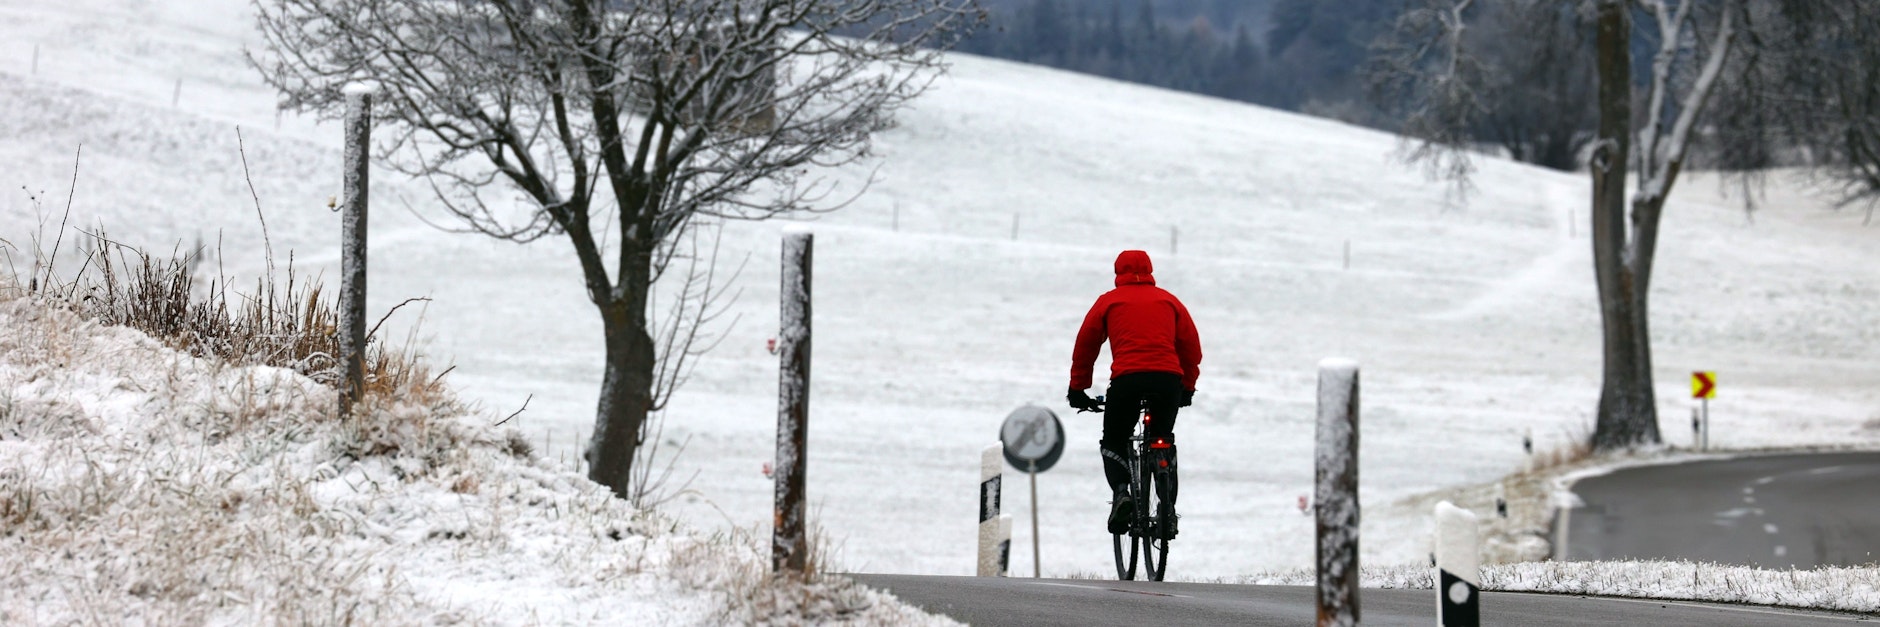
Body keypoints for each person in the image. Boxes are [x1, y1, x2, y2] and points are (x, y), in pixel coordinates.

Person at [1066, 249, 1202, 536]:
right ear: (1151, 270)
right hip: (1168, 381)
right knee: (1162, 440)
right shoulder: (1169, 301)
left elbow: (1086, 346)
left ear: (1118, 272)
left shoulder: (1109, 302)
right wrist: (1187, 387)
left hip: (1127, 381)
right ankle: (1167, 508)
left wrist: (1078, 388)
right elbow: (1191, 348)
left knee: (1114, 440)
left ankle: (1122, 493)